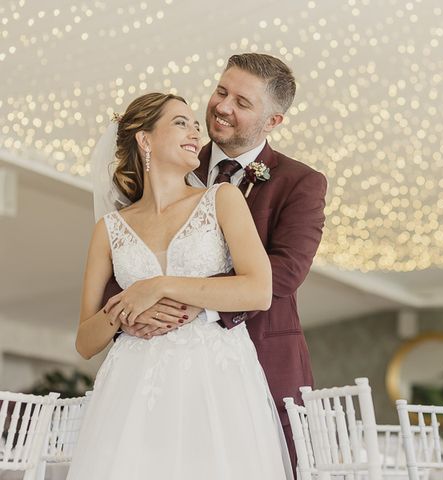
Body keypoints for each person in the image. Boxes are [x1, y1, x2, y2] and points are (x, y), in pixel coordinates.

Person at [100, 53, 328, 470]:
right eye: (221, 91)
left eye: (242, 102)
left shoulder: (299, 183)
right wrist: (130, 311)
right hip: (161, 371)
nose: (222, 106)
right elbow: (129, 249)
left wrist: (189, 299)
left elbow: (285, 271)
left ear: (273, 121)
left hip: (257, 360)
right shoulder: (170, 161)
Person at [69, 92, 293, 479]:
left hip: (214, 378)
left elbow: (258, 289)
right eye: (180, 123)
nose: (195, 132)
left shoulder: (222, 199)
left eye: (194, 124)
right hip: (132, 388)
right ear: (145, 140)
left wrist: (157, 286)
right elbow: (85, 341)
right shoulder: (108, 230)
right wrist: (124, 315)